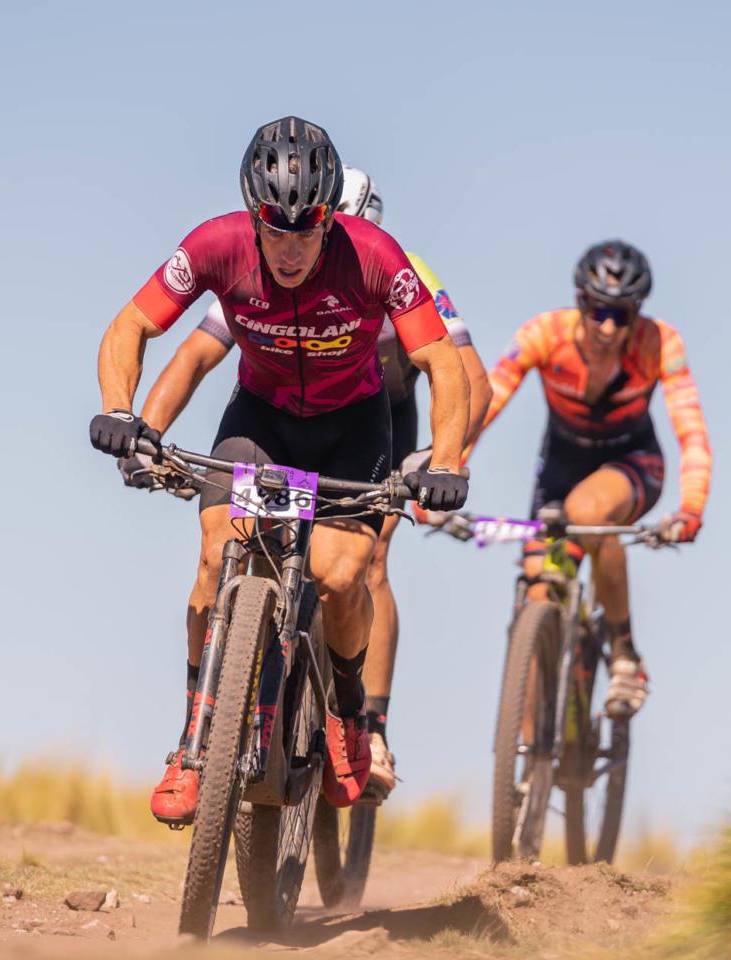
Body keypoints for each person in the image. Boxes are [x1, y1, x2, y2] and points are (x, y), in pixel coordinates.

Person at [89, 117, 471, 824]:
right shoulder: (216, 245)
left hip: (354, 427)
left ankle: (349, 714)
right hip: (260, 422)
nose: (291, 249)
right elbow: (132, 326)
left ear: (329, 219)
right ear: (253, 215)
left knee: (341, 576)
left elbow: (444, 363)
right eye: (275, 230)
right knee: (215, 555)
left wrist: (445, 462)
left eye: (307, 231)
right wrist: (123, 413)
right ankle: (193, 744)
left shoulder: (375, 256)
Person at [464, 240, 711, 717]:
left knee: (591, 512)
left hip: (632, 464)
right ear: (580, 302)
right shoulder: (545, 333)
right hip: (561, 468)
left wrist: (692, 508)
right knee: (538, 590)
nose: (609, 327)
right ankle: (533, 751)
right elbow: (486, 402)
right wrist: (446, 466)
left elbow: (692, 430)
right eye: (599, 310)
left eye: (622, 314)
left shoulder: (659, 343)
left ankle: (624, 656)